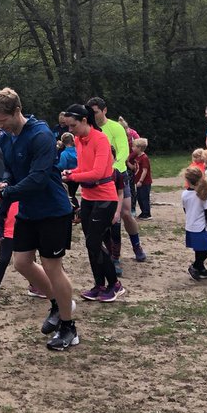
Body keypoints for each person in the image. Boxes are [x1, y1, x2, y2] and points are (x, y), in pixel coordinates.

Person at [0, 88, 77, 350]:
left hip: (53, 210)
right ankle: (58, 305)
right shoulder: (7, 138)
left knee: (51, 266)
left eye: (2, 120)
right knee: (22, 263)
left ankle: (69, 328)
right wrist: (3, 184)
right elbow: (13, 172)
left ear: (16, 111)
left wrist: (4, 195)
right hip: (28, 210)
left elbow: (37, 178)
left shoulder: (41, 135)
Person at [61, 104, 123, 304]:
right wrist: (72, 172)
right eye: (67, 126)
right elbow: (84, 167)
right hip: (88, 196)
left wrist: (73, 176)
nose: (70, 130)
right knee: (91, 243)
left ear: (85, 121)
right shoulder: (79, 139)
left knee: (94, 241)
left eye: (73, 125)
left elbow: (98, 172)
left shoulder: (101, 139)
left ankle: (114, 285)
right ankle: (100, 285)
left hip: (105, 197)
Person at [86, 97, 147, 266]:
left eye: (96, 112)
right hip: (97, 180)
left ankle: (137, 247)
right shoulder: (88, 129)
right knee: (105, 218)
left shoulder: (115, 128)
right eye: (90, 112)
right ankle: (113, 254)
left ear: (104, 111)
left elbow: (123, 152)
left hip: (117, 175)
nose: (93, 115)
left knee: (125, 213)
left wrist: (110, 169)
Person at [182, 167, 207, 280]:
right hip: (200, 227)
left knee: (199, 249)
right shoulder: (203, 195)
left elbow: (185, 209)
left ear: (187, 180)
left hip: (190, 225)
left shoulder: (185, 194)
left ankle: (201, 268)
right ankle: (195, 266)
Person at [132, 139, 152, 219]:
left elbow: (145, 170)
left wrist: (140, 181)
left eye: (134, 147)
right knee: (139, 197)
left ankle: (147, 213)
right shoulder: (137, 157)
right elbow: (135, 168)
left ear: (139, 148)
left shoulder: (144, 158)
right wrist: (127, 163)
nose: (132, 148)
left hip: (145, 182)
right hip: (139, 182)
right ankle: (143, 212)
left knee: (144, 198)